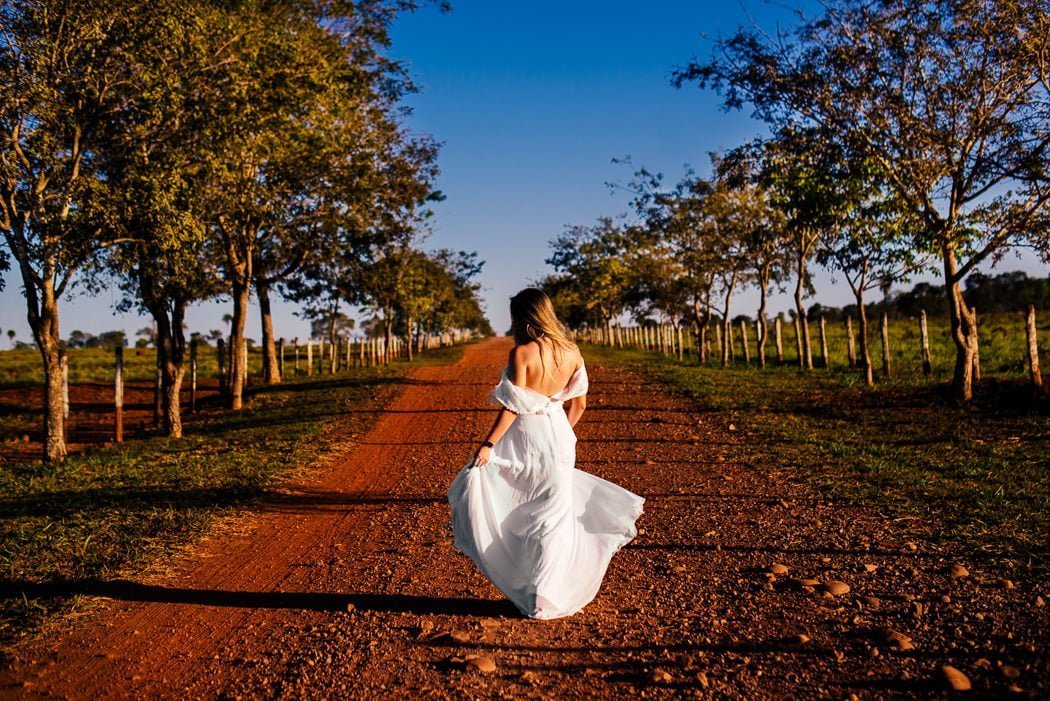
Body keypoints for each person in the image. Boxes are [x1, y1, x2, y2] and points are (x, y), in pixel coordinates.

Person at [447, 288, 644, 619]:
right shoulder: (572, 351)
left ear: (524, 318)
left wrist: (489, 444)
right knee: (553, 515)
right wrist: (561, 432)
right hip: (560, 436)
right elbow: (580, 404)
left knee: (523, 508)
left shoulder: (522, 353)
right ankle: (545, 591)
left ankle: (534, 588)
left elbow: (513, 407)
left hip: (528, 436)